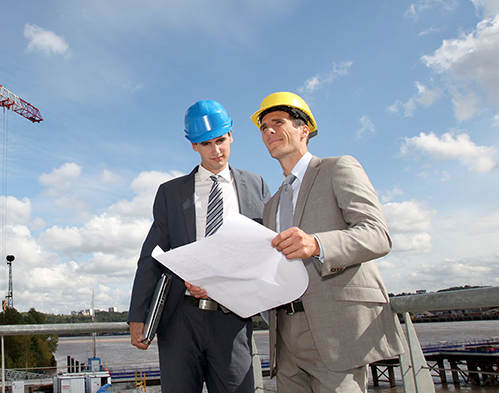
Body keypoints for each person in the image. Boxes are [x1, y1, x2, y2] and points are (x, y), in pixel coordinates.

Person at [251, 92, 404, 392]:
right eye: (264, 127)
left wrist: (317, 244)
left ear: (304, 129)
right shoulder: (270, 205)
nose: (268, 131)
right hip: (285, 335)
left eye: (278, 122)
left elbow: (377, 234)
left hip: (335, 331)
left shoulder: (338, 168)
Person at [128, 100, 270, 393]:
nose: (216, 150)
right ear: (194, 145)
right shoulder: (170, 193)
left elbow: (265, 251)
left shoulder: (256, 186)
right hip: (181, 319)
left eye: (220, 140)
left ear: (231, 135)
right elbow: (151, 257)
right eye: (206, 143)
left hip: (233, 318)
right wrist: (138, 316)